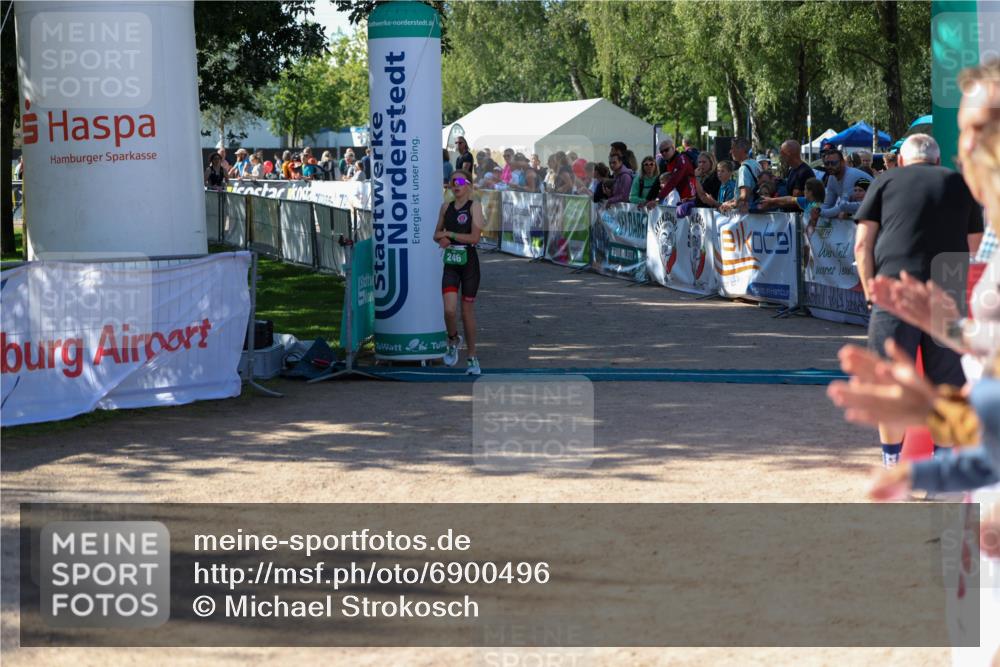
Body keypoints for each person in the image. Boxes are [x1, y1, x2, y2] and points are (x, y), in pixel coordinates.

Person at [852, 134, 984, 467]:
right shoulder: (960, 183)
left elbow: (862, 244)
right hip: (947, 290)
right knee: (948, 387)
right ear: (938, 162)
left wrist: (869, 291)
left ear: (901, 161)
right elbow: (975, 247)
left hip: (894, 290)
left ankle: (892, 465)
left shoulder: (884, 181)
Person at [433, 170, 484, 376]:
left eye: (461, 181)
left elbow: (474, 238)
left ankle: (472, 358)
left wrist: (450, 235)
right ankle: (453, 339)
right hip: (451, 264)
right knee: (449, 311)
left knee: (466, 312)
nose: (456, 184)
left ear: (468, 185)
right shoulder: (446, 207)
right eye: (453, 181)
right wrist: (442, 238)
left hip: (469, 264)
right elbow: (435, 234)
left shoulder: (475, 207)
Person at [817, 148, 869, 222]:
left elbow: (841, 207)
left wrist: (818, 211)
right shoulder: (832, 177)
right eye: (826, 163)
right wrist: (816, 209)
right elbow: (827, 204)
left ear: (843, 162)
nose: (830, 166)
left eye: (834, 163)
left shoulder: (850, 175)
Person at [719, 138, 760, 214]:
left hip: (747, 214)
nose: (730, 151)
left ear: (741, 150)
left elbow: (744, 196)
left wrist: (730, 205)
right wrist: (730, 201)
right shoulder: (756, 164)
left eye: (732, 148)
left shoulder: (743, 169)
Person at [656, 138, 697, 203]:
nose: (664, 153)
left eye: (666, 150)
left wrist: (659, 198)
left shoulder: (681, 159)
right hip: (678, 197)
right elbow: (658, 180)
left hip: (689, 198)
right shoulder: (667, 162)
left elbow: (674, 180)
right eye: (661, 151)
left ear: (673, 148)